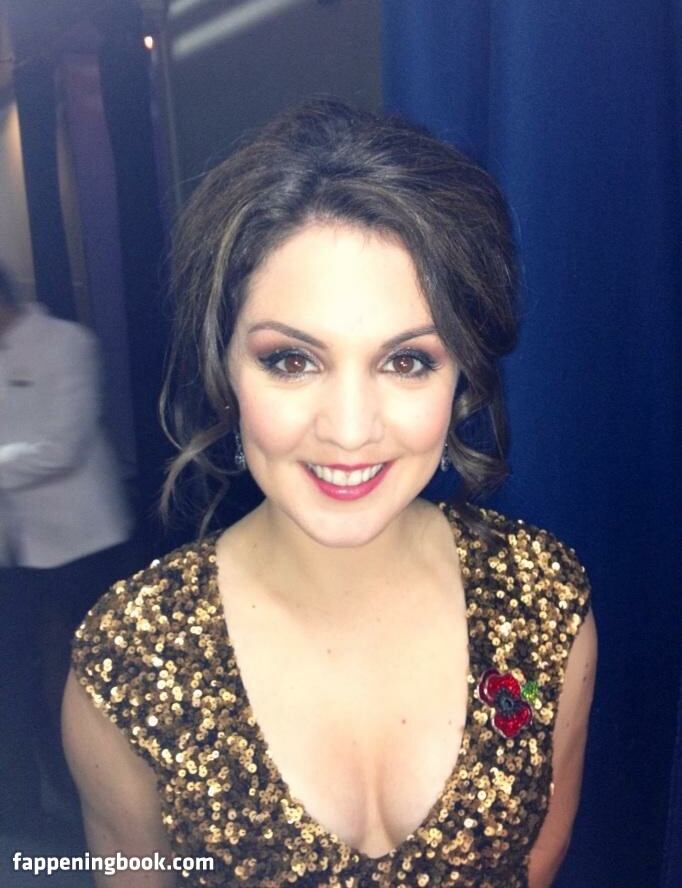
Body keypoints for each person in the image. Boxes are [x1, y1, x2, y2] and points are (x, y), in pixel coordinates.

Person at [63, 100, 596, 888]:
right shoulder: (129, 660)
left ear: (461, 377)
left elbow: (539, 863)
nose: (349, 431)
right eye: (292, 360)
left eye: (407, 362)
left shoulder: (544, 601)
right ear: (225, 370)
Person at [0, 265, 132, 836]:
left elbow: (62, 445)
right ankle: (24, 808)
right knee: (17, 679)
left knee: (98, 673)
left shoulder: (65, 344)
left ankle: (116, 799)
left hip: (82, 541)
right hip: (14, 550)